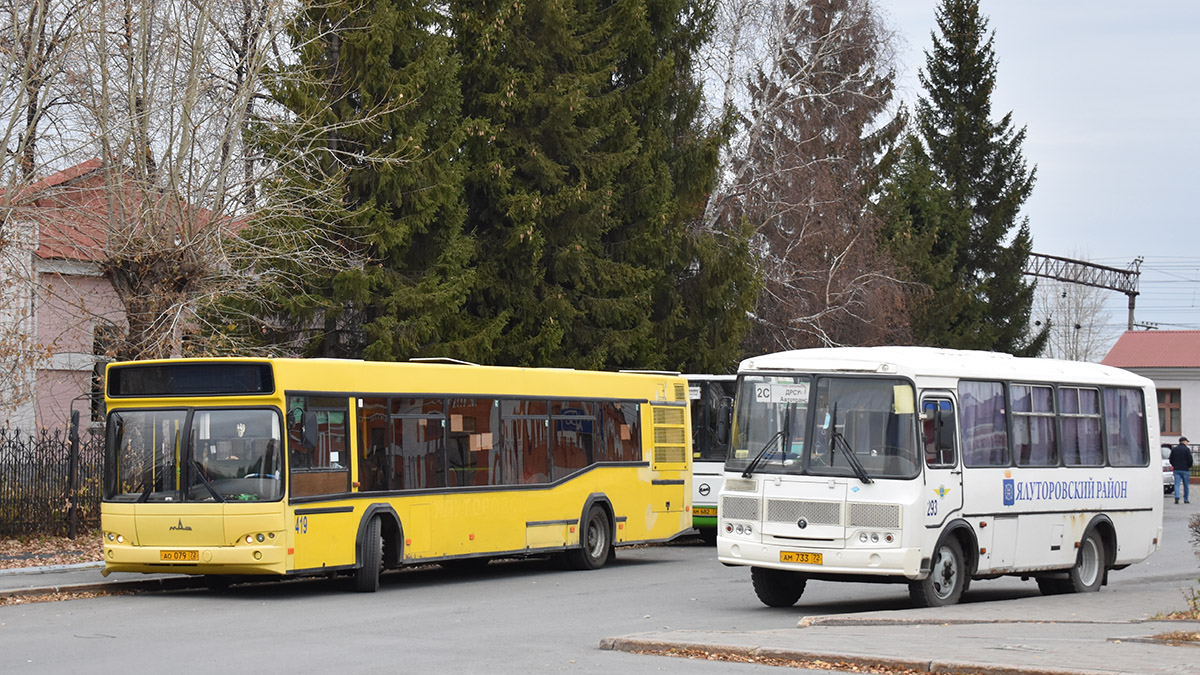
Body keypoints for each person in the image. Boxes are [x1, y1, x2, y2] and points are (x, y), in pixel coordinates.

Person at [1170, 437, 1193, 504]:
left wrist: (1174, 465)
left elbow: (1171, 459)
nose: (1187, 443)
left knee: (1177, 484)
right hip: (1185, 470)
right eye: (1187, 441)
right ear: (1184, 441)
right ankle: (1186, 499)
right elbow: (1190, 459)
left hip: (1177, 469)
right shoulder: (1187, 450)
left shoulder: (1174, 449)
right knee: (1186, 485)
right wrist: (1189, 466)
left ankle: (1177, 497)